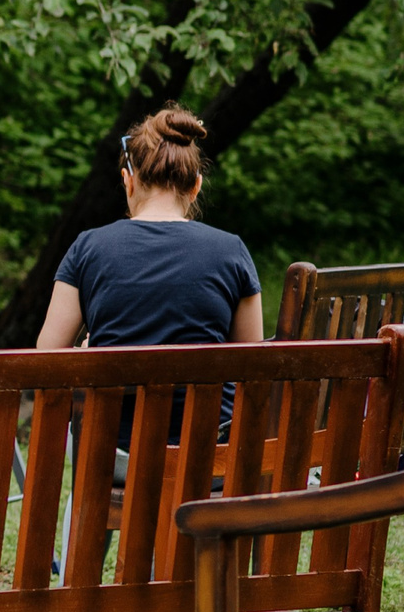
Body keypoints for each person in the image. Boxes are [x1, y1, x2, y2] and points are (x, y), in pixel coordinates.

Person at [36, 105, 261, 440]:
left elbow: (45, 363)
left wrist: (85, 360)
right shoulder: (232, 251)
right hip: (210, 461)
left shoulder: (88, 248)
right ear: (196, 187)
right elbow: (253, 368)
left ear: (128, 181)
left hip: (112, 460)